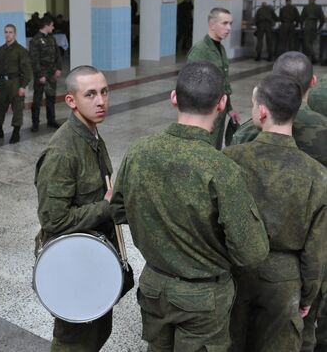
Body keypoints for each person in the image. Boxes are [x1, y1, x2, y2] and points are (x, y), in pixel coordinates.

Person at [110, 61, 269, 351]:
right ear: (221, 103)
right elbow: (252, 252)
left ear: (173, 98)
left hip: (155, 286)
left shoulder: (139, 151)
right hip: (203, 299)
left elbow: (118, 210)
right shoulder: (221, 169)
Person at [224, 74, 327, 352]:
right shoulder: (317, 175)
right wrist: (307, 296)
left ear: (262, 111)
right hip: (286, 282)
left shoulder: (231, 160)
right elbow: (315, 250)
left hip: (235, 273)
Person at [35, 65, 115, 351]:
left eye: (104, 92)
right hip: (72, 263)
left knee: (97, 332)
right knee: (73, 341)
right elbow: (53, 219)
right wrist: (106, 207)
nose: (100, 101)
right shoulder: (62, 152)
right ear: (71, 101)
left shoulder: (90, 134)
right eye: (90, 94)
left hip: (92, 253)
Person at [187, 8, 240, 149]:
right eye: (225, 23)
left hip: (219, 111)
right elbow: (190, 85)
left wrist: (229, 108)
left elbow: (223, 83)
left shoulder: (220, 49)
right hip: (205, 114)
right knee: (204, 149)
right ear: (212, 24)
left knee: (215, 147)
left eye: (230, 23)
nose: (229, 28)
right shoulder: (200, 50)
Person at [0, 24, 32, 144]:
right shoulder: (0, 50)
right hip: (3, 83)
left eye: (10, 32)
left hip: (15, 83)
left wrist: (23, 86)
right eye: (6, 32)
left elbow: (27, 71)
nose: (8, 34)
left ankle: (16, 132)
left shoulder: (21, 50)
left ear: (15, 34)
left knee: (17, 108)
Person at [30, 15, 62, 132]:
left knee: (51, 98)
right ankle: (35, 123)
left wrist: (58, 68)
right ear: (47, 25)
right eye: (52, 25)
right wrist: (40, 75)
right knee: (37, 100)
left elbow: (58, 55)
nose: (53, 28)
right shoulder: (35, 40)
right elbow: (34, 60)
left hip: (52, 74)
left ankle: (51, 120)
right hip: (41, 75)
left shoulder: (51, 38)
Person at [301, 0, 325, 64]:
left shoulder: (306, 7)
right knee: (312, 42)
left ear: (309, 0)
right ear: (315, 0)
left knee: (307, 42)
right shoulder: (318, 7)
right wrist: (319, 27)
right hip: (314, 25)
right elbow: (322, 19)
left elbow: (302, 17)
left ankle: (313, 57)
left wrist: (301, 26)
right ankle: (313, 58)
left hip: (308, 24)